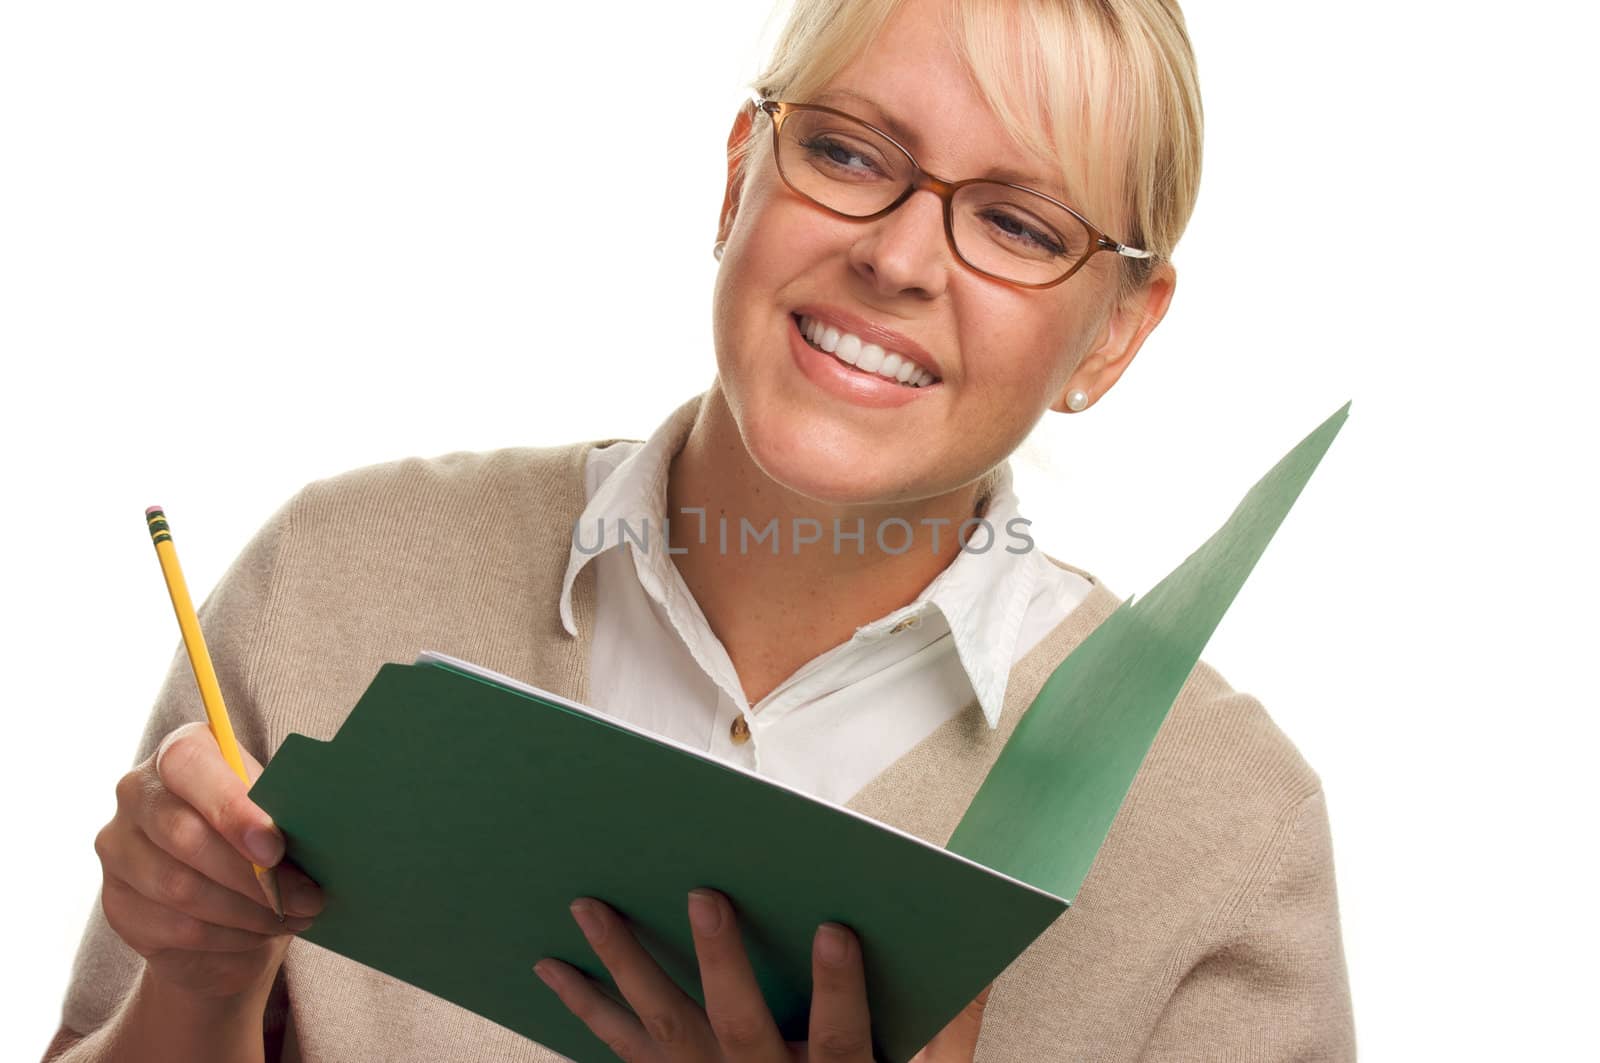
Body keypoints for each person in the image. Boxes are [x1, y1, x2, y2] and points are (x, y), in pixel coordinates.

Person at [43, 0, 1356, 1059]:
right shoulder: (330, 587)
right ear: (739, 177)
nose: (899, 259)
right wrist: (196, 992)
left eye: (1017, 225)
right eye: (847, 152)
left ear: (1116, 334)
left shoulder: (1221, 836)